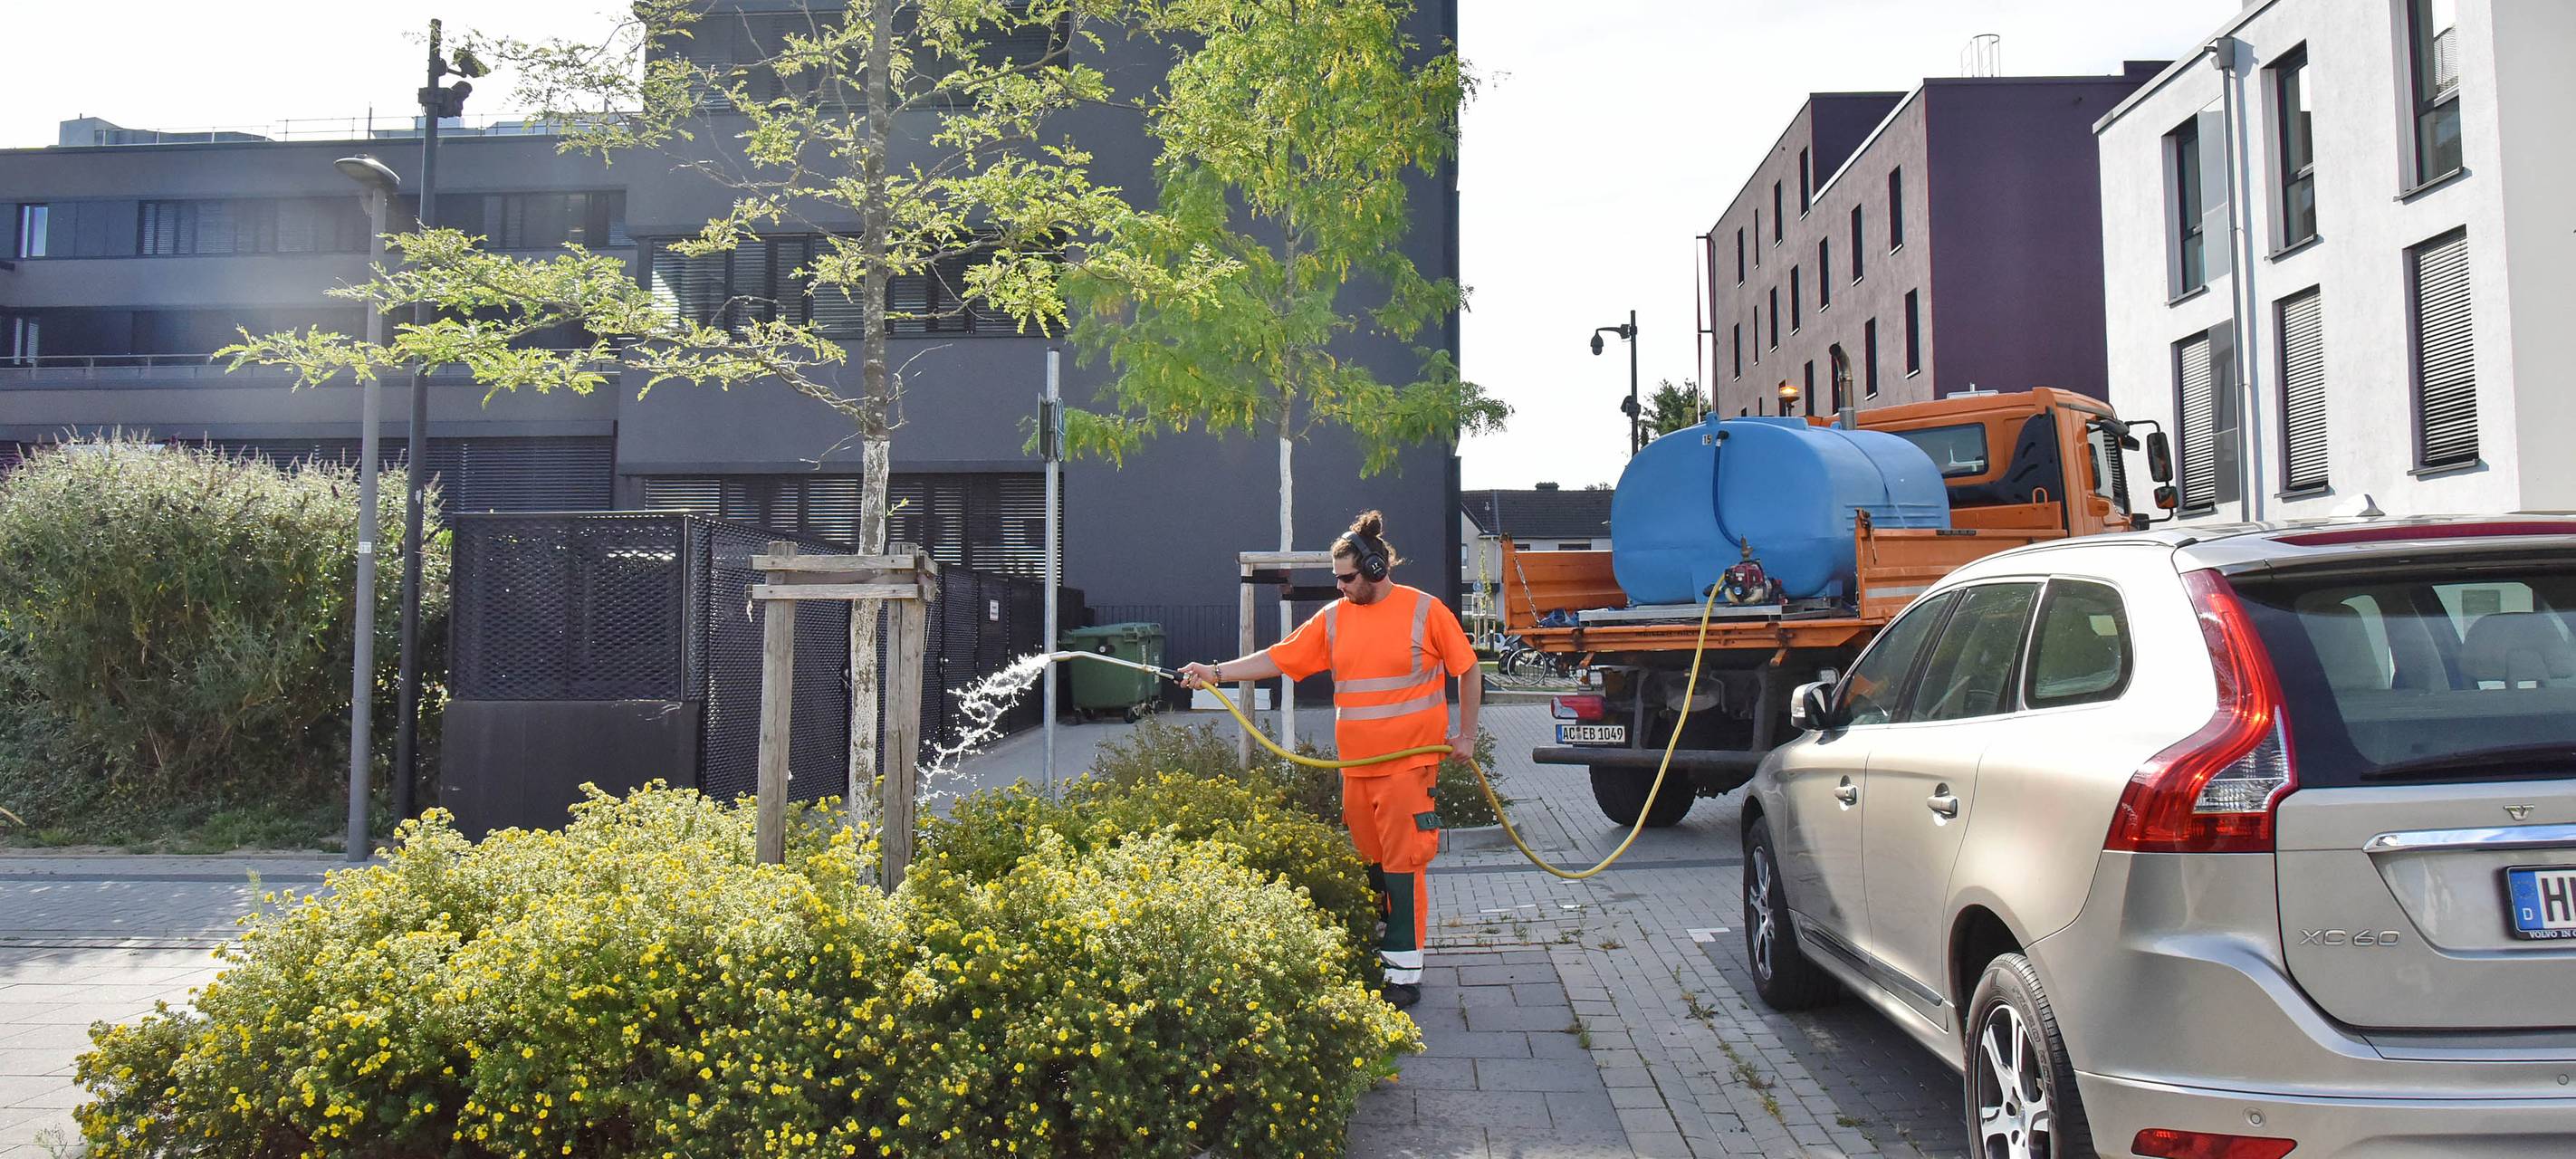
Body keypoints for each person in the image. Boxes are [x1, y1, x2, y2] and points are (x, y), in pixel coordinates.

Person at [1180, 510, 1480, 1010]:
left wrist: (1466, 733)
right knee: (1372, 863)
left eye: (1347, 578)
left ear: (1377, 569)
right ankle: (1383, 951)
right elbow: (1278, 658)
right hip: (1356, 770)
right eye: (1336, 578)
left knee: (1403, 864)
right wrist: (1215, 671)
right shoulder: (1335, 619)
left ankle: (1404, 973)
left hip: (1408, 767)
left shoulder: (1425, 612)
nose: (1340, 587)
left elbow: (1468, 671)